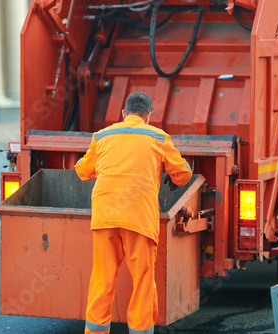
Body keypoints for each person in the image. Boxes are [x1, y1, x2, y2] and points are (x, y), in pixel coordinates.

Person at [75, 92, 192, 334]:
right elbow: (183, 174)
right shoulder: (158, 136)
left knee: (102, 278)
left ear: (123, 113)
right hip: (138, 216)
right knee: (142, 281)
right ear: (148, 116)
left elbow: (83, 171)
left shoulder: (103, 135)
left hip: (105, 215)